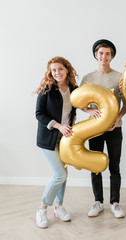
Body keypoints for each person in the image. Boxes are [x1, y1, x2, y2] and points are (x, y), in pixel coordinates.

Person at [81, 39, 126, 219]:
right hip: (94, 128)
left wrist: (118, 118)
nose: (104, 56)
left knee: (114, 166)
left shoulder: (120, 77)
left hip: (115, 128)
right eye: (101, 53)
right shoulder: (87, 78)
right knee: (96, 165)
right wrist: (89, 110)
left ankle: (115, 203)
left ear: (112, 56)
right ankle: (98, 202)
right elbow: (80, 102)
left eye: (107, 53)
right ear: (96, 55)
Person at [35, 56, 78, 228]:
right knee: (60, 174)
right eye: (54, 70)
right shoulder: (47, 89)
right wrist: (59, 126)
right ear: (50, 73)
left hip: (66, 138)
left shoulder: (74, 88)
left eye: (60, 69)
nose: (57, 73)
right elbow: (39, 114)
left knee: (63, 174)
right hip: (48, 138)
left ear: (67, 69)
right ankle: (42, 208)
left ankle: (59, 207)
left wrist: (74, 123)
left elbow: (75, 109)